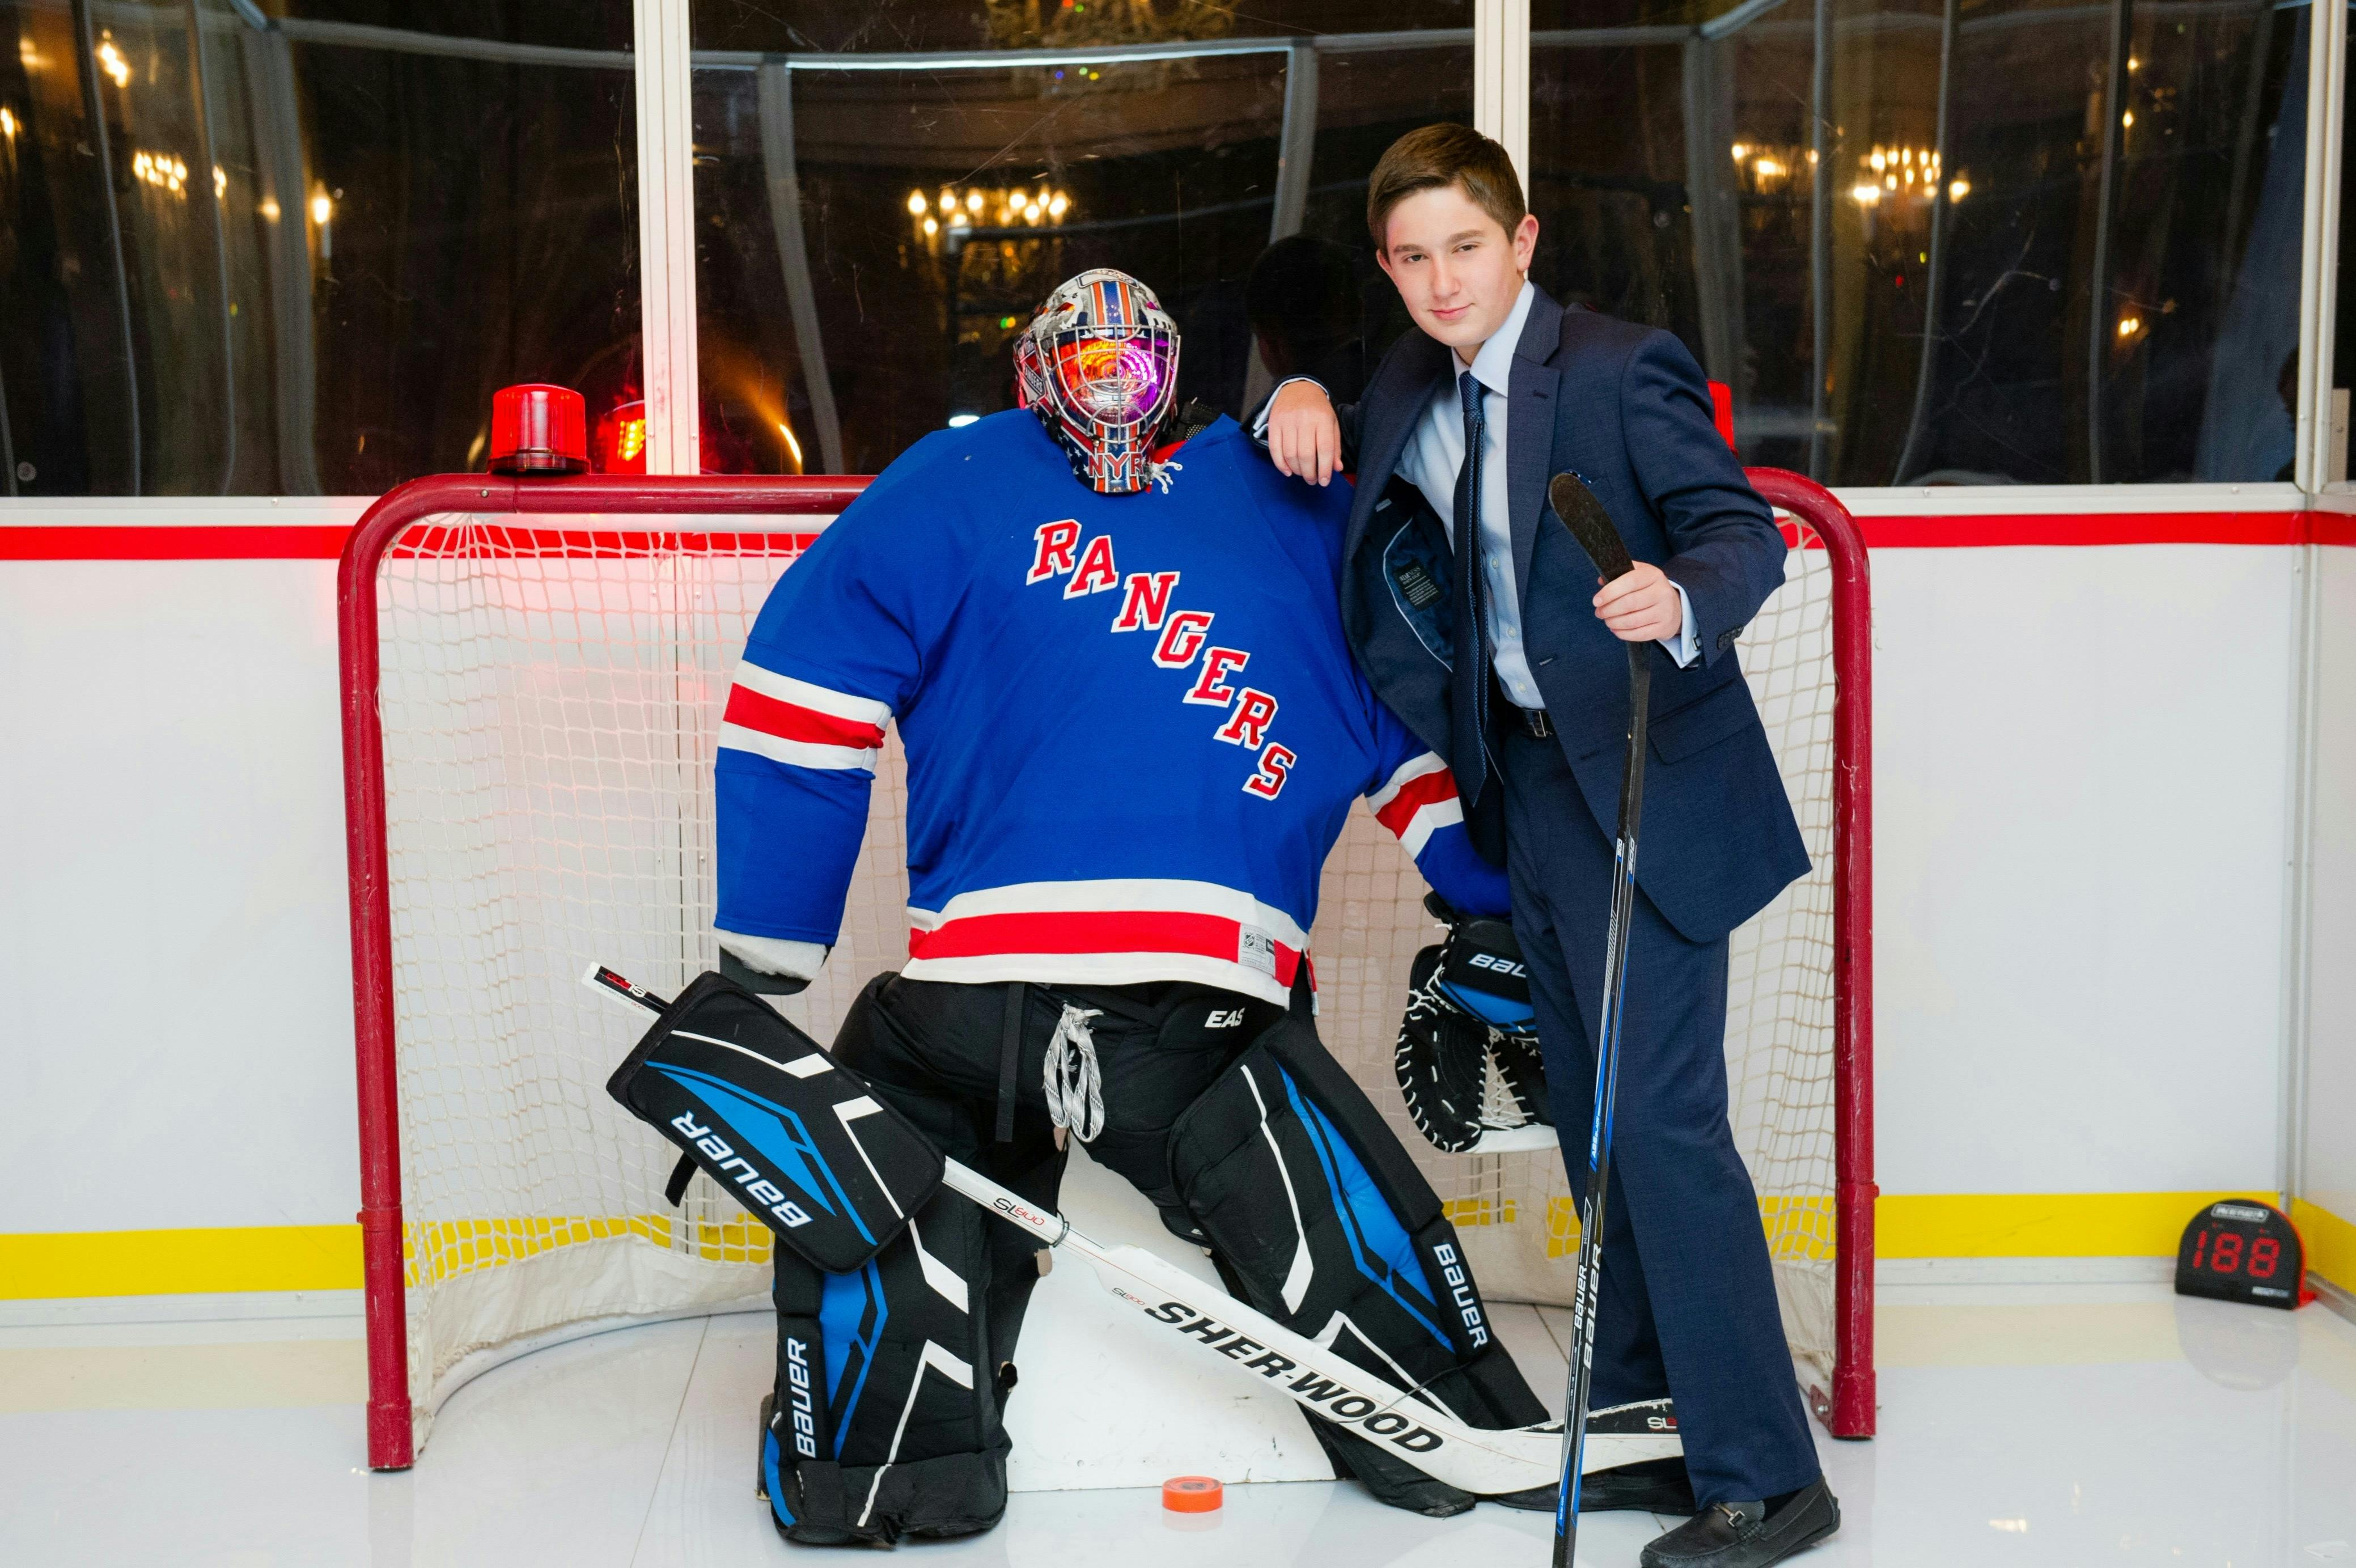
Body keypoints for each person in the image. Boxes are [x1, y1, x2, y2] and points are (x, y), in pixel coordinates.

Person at [711, 267, 1550, 1546]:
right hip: (1203, 1017)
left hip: (965, 1008)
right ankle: (1446, 1423)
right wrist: (1486, 902)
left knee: (888, 1169)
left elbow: (801, 691)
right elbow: (1394, 725)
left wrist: (770, 943)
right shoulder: (1282, 512)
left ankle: (878, 1472)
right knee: (1355, 1250)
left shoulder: (952, 480)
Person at [1258, 125, 1841, 1568]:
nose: (1438, 278)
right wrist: (1285, 386)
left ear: (1521, 244)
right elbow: (1264, 327)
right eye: (1409, 257)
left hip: (1648, 781)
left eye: (1464, 246)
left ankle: (1770, 1479)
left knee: (1659, 1123)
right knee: (1590, 1118)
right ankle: (1659, 1426)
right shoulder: (1404, 371)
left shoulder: (1618, 363)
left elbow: (1738, 531)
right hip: (1523, 793)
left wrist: (1676, 595)